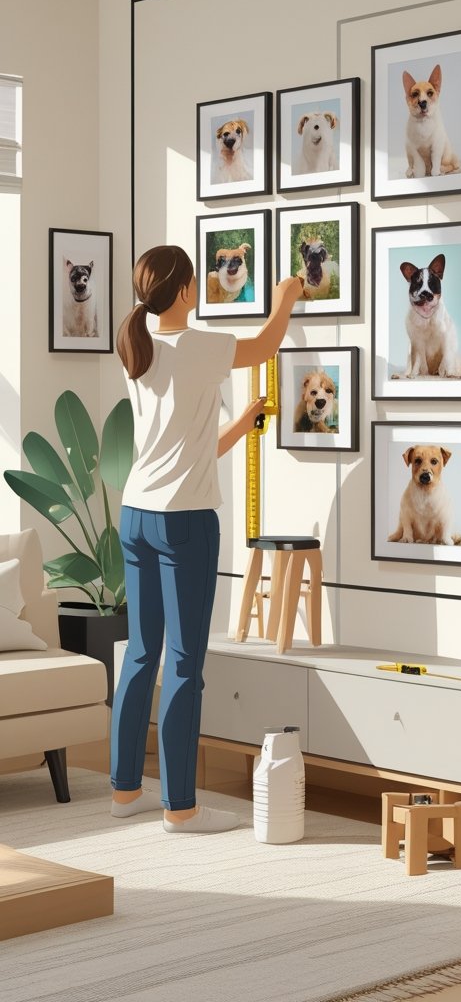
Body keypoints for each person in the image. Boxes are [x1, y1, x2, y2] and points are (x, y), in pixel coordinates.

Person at [109, 245, 303, 833]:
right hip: (184, 523)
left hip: (136, 514)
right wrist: (285, 298)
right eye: (194, 281)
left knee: (141, 654)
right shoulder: (198, 346)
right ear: (185, 290)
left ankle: (125, 790)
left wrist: (241, 424)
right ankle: (181, 808)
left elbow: (187, 446)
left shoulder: (137, 345)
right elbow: (265, 345)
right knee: (184, 664)